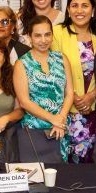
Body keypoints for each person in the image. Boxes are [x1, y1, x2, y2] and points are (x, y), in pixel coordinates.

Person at [52, 0, 96, 162]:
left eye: (85, 6)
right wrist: (75, 98)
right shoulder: (57, 32)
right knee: (69, 161)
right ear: (68, 10)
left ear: (93, 9)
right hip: (68, 110)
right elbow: (55, 70)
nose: (79, 10)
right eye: (74, 6)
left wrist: (92, 95)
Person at [13, 15, 74, 161]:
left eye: (47, 34)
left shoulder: (62, 59)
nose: (43, 40)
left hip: (61, 127)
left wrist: (60, 119)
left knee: (60, 170)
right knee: (35, 171)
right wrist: (53, 119)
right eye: (38, 35)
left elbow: (69, 93)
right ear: (30, 37)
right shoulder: (22, 64)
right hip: (34, 129)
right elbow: (24, 102)